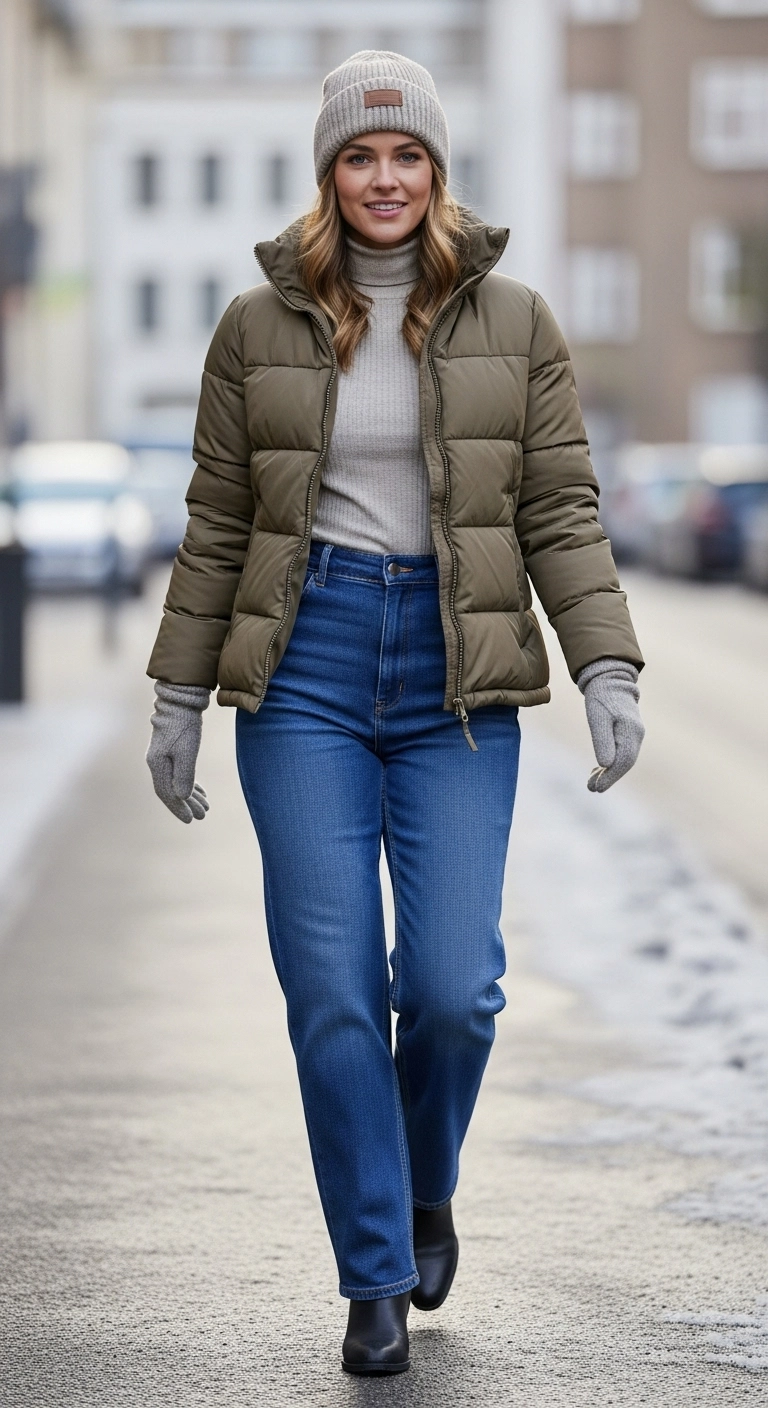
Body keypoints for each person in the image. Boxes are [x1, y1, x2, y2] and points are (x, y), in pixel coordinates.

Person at [146, 51, 645, 1377]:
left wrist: (604, 666)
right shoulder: (256, 325)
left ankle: (425, 1186)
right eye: (360, 157)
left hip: (453, 678)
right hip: (303, 670)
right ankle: (373, 1272)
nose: (384, 178)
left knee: (452, 990)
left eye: (406, 155)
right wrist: (178, 695)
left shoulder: (517, 321)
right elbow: (218, 521)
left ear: (437, 169)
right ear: (329, 174)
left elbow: (559, 510)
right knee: (330, 991)